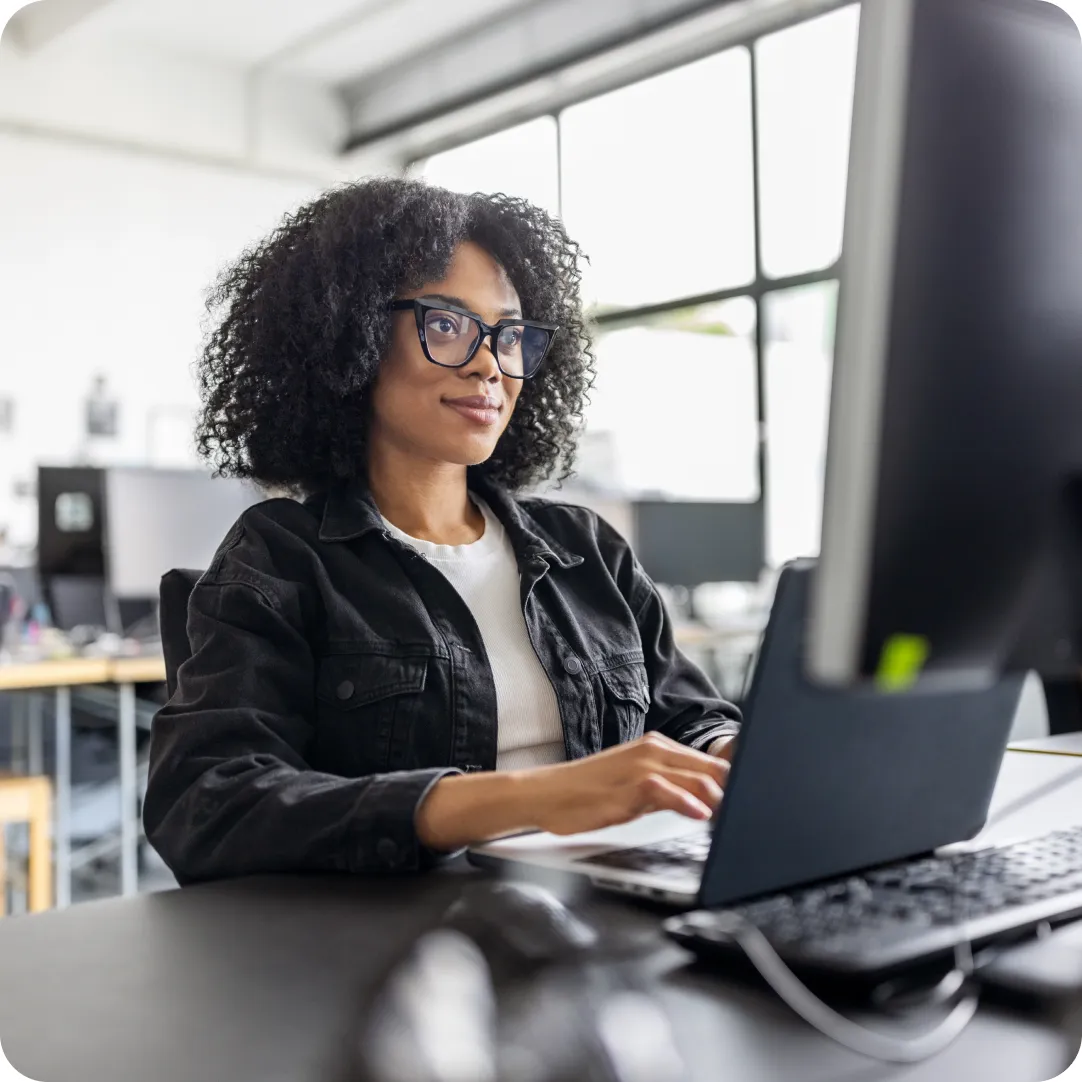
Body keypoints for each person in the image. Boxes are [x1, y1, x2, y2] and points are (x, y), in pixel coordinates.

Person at [143, 177, 741, 884]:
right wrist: (527, 798)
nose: (490, 364)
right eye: (448, 325)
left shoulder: (587, 550)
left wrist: (732, 752)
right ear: (355, 339)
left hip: (608, 912)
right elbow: (207, 803)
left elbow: (687, 717)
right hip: (406, 937)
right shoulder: (281, 559)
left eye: (509, 335)